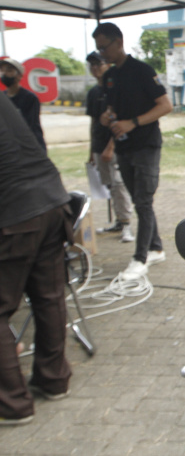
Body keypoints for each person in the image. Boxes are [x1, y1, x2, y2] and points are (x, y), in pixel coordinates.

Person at [0, 90, 72, 426]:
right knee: (48, 297)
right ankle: (54, 379)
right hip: (51, 198)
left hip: (17, 211)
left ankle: (13, 404)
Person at [92, 22, 172, 280]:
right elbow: (112, 109)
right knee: (139, 201)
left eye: (104, 47)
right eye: (98, 49)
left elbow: (165, 105)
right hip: (124, 147)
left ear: (119, 42)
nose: (101, 53)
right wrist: (108, 117)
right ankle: (156, 248)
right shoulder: (110, 77)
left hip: (146, 145)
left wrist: (133, 122)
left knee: (144, 201)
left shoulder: (141, 71)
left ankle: (140, 258)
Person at [84, 51, 134, 243]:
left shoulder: (115, 89)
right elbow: (94, 123)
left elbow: (120, 121)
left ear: (108, 66)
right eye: (92, 65)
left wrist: (110, 147)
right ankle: (119, 222)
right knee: (109, 185)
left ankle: (126, 223)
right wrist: (92, 151)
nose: (96, 68)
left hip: (115, 146)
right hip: (98, 146)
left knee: (118, 184)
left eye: (99, 64)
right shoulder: (93, 92)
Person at [0, 57, 46, 151]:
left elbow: (30, 126)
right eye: (2, 71)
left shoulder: (30, 98)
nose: (4, 74)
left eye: (9, 70)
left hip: (30, 148)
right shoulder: (2, 98)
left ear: (19, 76)